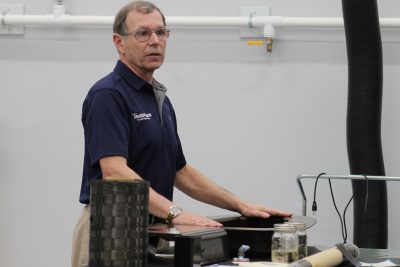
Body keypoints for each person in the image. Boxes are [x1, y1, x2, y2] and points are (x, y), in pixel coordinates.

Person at [71, 1, 291, 266]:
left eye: (161, 32)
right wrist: (176, 213)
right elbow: (114, 171)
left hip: (156, 228)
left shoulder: (158, 98)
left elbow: (180, 171)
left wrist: (240, 205)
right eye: (143, 33)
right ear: (119, 42)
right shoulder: (108, 95)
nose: (155, 41)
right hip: (113, 228)